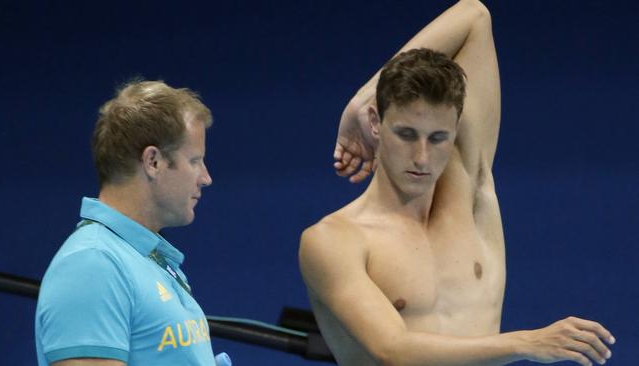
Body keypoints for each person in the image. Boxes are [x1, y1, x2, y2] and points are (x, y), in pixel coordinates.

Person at [299, 1, 615, 365]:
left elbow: (474, 16)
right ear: (376, 123)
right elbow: (394, 350)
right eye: (405, 133)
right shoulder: (334, 241)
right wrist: (526, 343)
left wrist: (364, 93)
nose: (421, 157)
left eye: (437, 138)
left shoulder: (473, 193)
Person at [35, 80, 222, 366]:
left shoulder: (147, 261)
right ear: (153, 161)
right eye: (195, 160)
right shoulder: (92, 264)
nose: (205, 177)